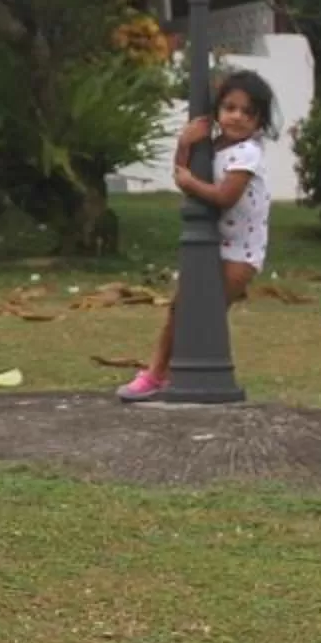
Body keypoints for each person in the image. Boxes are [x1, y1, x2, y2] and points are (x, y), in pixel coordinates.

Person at [117, 68, 275, 401]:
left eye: (248, 112)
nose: (237, 117)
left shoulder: (247, 153)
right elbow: (183, 175)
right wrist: (184, 144)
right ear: (218, 111)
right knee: (182, 310)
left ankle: (176, 374)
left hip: (240, 253)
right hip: (214, 245)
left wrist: (190, 182)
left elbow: (224, 196)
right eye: (230, 108)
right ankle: (158, 373)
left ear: (259, 120)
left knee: (201, 314)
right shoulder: (212, 146)